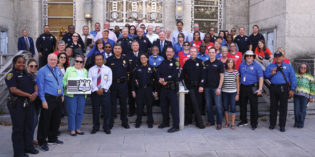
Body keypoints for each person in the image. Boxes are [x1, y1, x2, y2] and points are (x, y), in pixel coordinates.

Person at [5, 55, 39, 157]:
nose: (22, 64)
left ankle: (28, 147)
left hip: (29, 103)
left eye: (23, 62)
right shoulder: (11, 74)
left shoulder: (27, 74)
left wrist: (35, 94)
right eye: (19, 62)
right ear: (14, 63)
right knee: (18, 128)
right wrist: (29, 95)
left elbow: (35, 84)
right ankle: (18, 152)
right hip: (17, 104)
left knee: (28, 126)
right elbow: (13, 90)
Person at [37, 54, 64, 151]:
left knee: (56, 119)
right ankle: (42, 141)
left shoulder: (58, 70)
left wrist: (63, 94)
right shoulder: (42, 71)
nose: (53, 61)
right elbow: (40, 87)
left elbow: (60, 83)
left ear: (57, 61)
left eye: (55, 60)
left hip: (58, 98)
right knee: (45, 120)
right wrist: (43, 100)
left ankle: (52, 138)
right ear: (47, 60)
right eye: (51, 59)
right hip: (48, 98)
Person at [265, 51, 296, 132]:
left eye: (279, 56)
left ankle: (282, 125)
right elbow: (265, 75)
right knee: (273, 107)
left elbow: (293, 78)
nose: (278, 58)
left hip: (284, 88)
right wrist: (272, 73)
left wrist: (292, 89)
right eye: (276, 56)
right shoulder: (270, 66)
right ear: (274, 58)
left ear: (283, 57)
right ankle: (272, 124)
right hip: (273, 88)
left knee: (283, 107)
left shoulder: (288, 66)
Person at [180, 47, 206, 129]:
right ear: (190, 53)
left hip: (198, 86)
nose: (193, 53)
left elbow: (203, 75)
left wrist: (202, 85)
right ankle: (188, 120)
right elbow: (183, 75)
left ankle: (198, 122)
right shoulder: (187, 62)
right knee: (188, 104)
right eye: (191, 52)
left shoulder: (201, 62)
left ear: (197, 52)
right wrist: (184, 85)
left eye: (194, 51)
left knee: (197, 104)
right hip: (189, 87)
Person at [106, 43, 130, 129]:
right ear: (113, 50)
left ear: (121, 50)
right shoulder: (109, 60)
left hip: (123, 85)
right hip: (113, 85)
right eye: (115, 48)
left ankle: (124, 122)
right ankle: (111, 122)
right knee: (112, 105)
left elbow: (129, 71)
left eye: (119, 48)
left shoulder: (125, 59)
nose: (117, 50)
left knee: (123, 104)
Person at [238, 50, 263, 130]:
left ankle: (254, 123)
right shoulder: (241, 65)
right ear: (245, 57)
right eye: (247, 56)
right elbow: (239, 76)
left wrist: (260, 89)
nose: (249, 57)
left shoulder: (257, 66)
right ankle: (243, 120)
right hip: (243, 87)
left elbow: (261, 78)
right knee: (242, 105)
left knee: (254, 106)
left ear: (253, 57)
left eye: (251, 56)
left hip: (253, 87)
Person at [63, 55, 88, 136]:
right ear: (74, 61)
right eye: (77, 61)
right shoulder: (69, 69)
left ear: (82, 63)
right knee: (72, 112)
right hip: (71, 94)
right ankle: (72, 129)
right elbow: (63, 80)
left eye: (81, 62)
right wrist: (65, 84)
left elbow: (87, 81)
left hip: (82, 94)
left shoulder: (85, 71)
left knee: (80, 112)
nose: (78, 63)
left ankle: (78, 128)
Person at [157, 47, 180, 133]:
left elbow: (175, 74)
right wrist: (159, 78)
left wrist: (165, 79)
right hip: (163, 88)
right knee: (164, 106)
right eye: (167, 52)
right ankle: (165, 122)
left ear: (173, 53)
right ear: (166, 53)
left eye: (170, 52)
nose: (169, 53)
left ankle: (176, 126)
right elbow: (158, 72)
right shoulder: (163, 62)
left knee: (174, 108)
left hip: (172, 88)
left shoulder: (176, 62)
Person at [89, 54, 113, 134]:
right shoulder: (91, 69)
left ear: (103, 60)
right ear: (95, 61)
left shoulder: (108, 69)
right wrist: (96, 89)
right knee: (95, 111)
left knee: (106, 110)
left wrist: (103, 89)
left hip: (105, 92)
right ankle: (95, 127)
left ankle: (106, 127)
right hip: (95, 93)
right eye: (97, 59)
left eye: (100, 59)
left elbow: (109, 81)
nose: (98, 61)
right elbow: (90, 81)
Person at [132, 53, 156, 128]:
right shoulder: (137, 68)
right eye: (141, 58)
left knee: (149, 106)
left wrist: (155, 91)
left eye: (144, 57)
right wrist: (133, 90)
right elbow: (133, 80)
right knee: (139, 107)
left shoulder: (152, 68)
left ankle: (150, 122)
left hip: (149, 89)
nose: (143, 59)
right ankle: (138, 121)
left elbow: (156, 80)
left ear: (147, 59)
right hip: (140, 90)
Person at [204, 47, 224, 129]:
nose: (211, 54)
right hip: (207, 88)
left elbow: (222, 76)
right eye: (210, 52)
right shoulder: (205, 63)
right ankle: (211, 121)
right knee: (208, 106)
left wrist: (219, 88)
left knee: (218, 106)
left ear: (216, 53)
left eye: (213, 52)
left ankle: (219, 123)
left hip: (216, 88)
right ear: (208, 53)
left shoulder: (219, 63)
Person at [294, 63, 315, 128]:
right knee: (296, 110)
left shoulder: (309, 76)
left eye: (304, 68)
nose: (302, 69)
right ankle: (296, 122)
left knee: (302, 110)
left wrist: (312, 97)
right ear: (299, 68)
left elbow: (312, 87)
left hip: (305, 96)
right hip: (296, 95)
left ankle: (301, 123)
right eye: (301, 67)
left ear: (307, 69)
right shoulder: (295, 75)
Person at [222, 59, 240, 130]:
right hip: (225, 92)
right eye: (228, 62)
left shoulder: (236, 72)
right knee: (226, 107)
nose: (230, 64)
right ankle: (227, 122)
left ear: (233, 64)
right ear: (226, 63)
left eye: (231, 62)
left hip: (233, 92)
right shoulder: (223, 72)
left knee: (233, 107)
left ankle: (232, 123)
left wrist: (238, 94)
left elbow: (238, 83)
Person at [26, 59, 41, 146]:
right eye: (31, 66)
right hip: (30, 102)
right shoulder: (25, 76)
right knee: (32, 121)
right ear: (27, 66)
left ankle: (30, 139)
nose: (34, 67)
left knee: (35, 122)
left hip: (37, 102)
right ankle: (28, 141)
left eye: (35, 66)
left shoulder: (36, 75)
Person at [126, 41, 142, 117]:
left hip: (140, 77)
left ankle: (140, 110)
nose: (135, 46)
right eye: (133, 45)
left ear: (138, 46)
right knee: (131, 95)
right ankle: (131, 111)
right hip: (131, 78)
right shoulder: (128, 55)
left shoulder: (142, 54)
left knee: (140, 95)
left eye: (136, 45)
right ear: (131, 47)